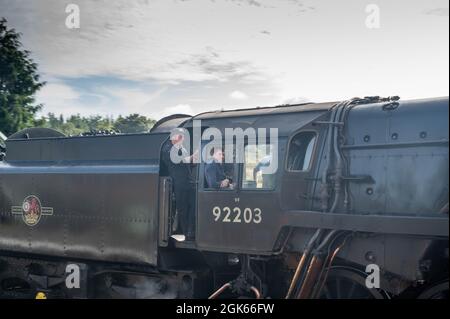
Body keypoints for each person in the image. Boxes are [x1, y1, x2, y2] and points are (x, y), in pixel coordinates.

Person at [161, 129, 197, 240]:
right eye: (181, 136)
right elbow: (177, 160)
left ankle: (191, 229)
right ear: (173, 137)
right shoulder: (167, 149)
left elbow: (188, 164)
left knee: (194, 205)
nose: (183, 139)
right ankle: (187, 232)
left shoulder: (183, 148)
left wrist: (194, 160)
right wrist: (191, 157)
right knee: (183, 208)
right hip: (178, 183)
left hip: (189, 181)